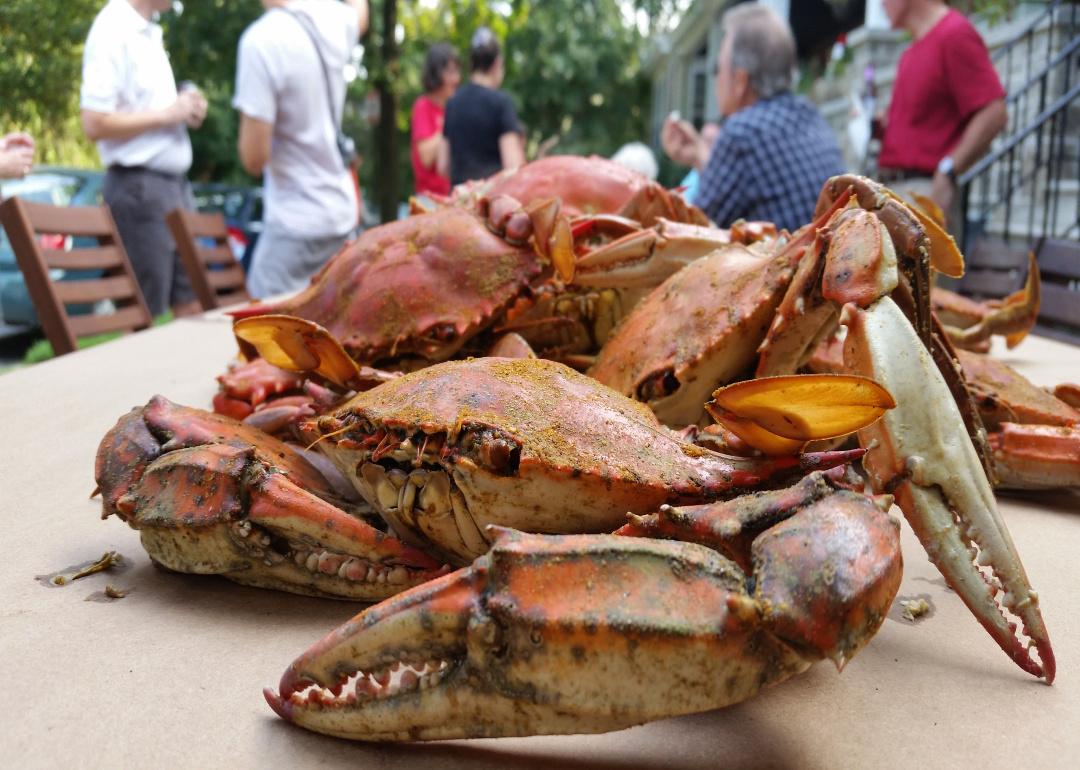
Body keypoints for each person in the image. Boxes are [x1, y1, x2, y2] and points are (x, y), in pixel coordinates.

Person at [661, 4, 843, 232]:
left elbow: (691, 235)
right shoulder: (811, 115)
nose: (715, 78)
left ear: (740, 81)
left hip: (789, 265)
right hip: (831, 260)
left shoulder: (741, 133)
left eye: (717, 69)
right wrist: (699, 153)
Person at [80, 0, 207, 317]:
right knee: (142, 314)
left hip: (174, 186)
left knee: (192, 302)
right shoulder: (113, 27)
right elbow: (94, 122)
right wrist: (169, 114)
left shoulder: (148, 31)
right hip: (139, 189)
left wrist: (185, 108)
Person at [234, 0, 369, 299]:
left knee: (262, 332)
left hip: (294, 222)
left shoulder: (261, 41)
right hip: (340, 215)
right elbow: (361, 14)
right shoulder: (335, 21)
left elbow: (253, 158)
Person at [878, 0, 1006, 228]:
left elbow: (994, 112)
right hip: (895, 191)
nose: (880, 4)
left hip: (923, 195)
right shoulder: (912, 51)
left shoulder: (953, 33)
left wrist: (948, 170)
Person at [444, 27, 525, 187]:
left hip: (458, 201)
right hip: (489, 203)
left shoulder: (452, 103)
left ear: (472, 64)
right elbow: (513, 166)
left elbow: (443, 166)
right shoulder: (501, 102)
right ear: (497, 64)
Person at [411, 43, 461, 199]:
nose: (457, 79)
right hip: (429, 200)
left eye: (457, 72)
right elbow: (426, 157)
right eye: (451, 72)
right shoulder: (423, 106)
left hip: (453, 197)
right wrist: (449, 122)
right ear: (436, 74)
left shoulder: (453, 108)